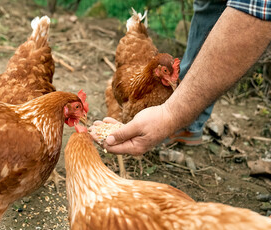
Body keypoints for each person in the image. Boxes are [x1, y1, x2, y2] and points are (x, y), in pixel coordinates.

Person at [91, 1, 271, 156]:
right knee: (209, 5)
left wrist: (171, 115)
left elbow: (254, 10)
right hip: (134, 72)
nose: (173, 82)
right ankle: (183, 123)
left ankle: (186, 124)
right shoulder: (129, 83)